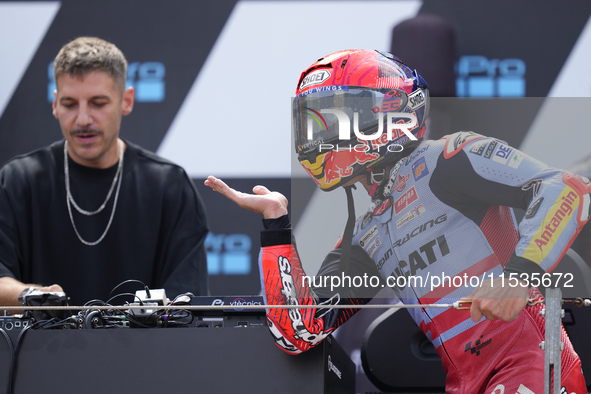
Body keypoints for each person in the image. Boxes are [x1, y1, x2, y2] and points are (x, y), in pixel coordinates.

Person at [205, 49, 591, 393]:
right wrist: (276, 225)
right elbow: (301, 332)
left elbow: (569, 189)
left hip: (533, 364)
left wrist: (519, 276)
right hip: (466, 382)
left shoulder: (450, 157)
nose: (317, 137)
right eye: (312, 123)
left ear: (385, 113)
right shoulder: (367, 232)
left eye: (332, 120)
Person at [0, 37, 209, 307]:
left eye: (98, 103)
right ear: (55, 104)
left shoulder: (169, 186)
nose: (83, 119)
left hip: (145, 350)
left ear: (127, 101)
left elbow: (187, 300)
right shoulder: (17, 182)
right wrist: (35, 297)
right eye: (69, 104)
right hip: (38, 350)